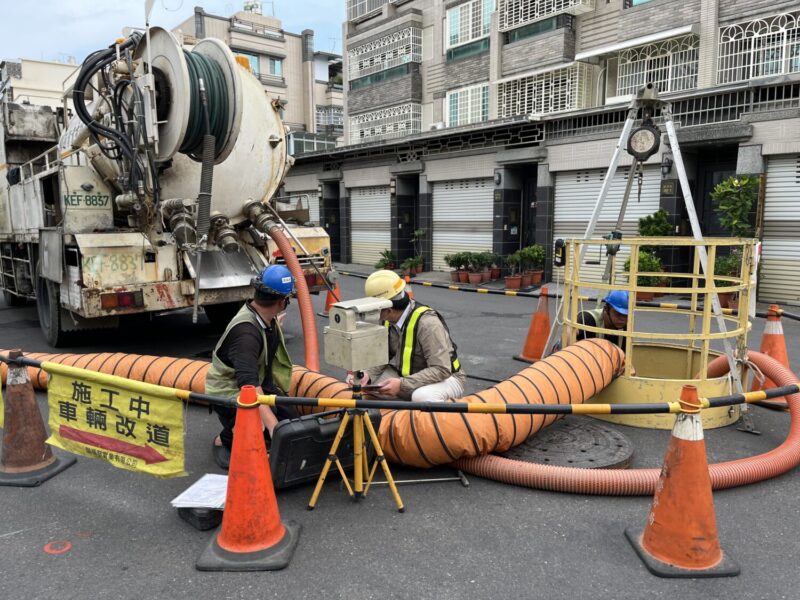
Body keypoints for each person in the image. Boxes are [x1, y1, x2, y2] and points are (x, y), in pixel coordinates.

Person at [204, 264, 299, 469]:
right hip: (230, 393)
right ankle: (225, 438)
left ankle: (256, 429)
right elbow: (248, 386)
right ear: (282, 302)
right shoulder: (246, 335)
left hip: (260, 384)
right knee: (266, 428)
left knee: (292, 421)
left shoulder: (263, 318)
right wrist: (274, 429)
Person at [351, 269, 466, 402]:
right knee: (362, 383)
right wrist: (367, 374)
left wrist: (402, 384)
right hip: (410, 379)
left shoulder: (427, 323)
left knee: (421, 397)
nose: (371, 312)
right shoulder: (387, 319)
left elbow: (441, 369)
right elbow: (382, 357)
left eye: (373, 308)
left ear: (388, 309)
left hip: (447, 379)